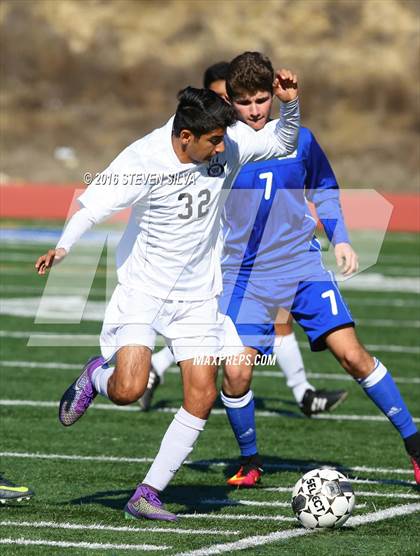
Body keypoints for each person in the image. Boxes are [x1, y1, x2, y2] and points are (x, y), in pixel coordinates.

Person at [35, 70, 300, 521]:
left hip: (199, 297)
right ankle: (96, 377)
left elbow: (283, 142)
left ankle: (147, 493)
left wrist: (290, 104)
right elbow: (91, 205)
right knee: (128, 389)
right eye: (213, 141)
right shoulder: (142, 159)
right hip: (143, 291)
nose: (222, 149)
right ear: (184, 137)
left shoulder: (226, 145)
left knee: (201, 394)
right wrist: (63, 245)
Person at [219, 51, 420, 487]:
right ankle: (250, 461)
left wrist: (340, 236)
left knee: (353, 356)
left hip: (301, 265)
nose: (254, 111)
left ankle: (415, 445)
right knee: (235, 372)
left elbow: (325, 189)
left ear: (272, 96)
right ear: (230, 100)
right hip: (243, 275)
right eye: (244, 102)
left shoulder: (301, 140)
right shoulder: (223, 146)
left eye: (260, 100)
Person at [140, 61, 348, 418]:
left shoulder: (249, 141)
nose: (240, 111)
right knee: (216, 333)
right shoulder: (212, 147)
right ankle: (300, 394)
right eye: (225, 99)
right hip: (221, 254)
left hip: (255, 254)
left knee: (267, 322)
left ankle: (302, 392)